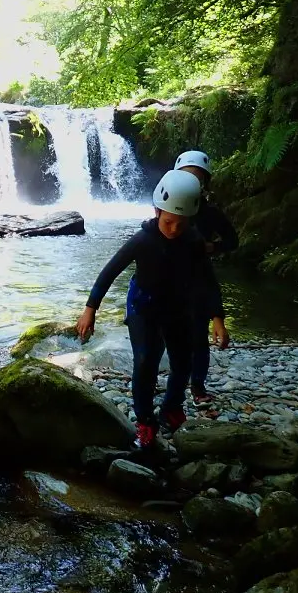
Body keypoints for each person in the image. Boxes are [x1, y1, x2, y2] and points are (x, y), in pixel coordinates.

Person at [75, 170, 231, 448]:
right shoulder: (143, 240)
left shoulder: (193, 242)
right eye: (169, 222)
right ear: (157, 211)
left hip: (178, 309)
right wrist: (91, 309)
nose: (173, 230)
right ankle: (145, 420)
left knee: (183, 362)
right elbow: (109, 272)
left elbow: (208, 280)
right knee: (146, 362)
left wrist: (217, 317)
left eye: (181, 225)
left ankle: (172, 407)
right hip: (143, 308)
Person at [174, 150, 240, 406]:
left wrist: (212, 247)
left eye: (196, 178)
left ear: (203, 183)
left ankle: (197, 386)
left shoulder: (209, 213)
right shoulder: (165, 207)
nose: (191, 183)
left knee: (198, 338)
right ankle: (173, 385)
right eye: (187, 177)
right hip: (168, 278)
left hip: (197, 275)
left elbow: (232, 240)